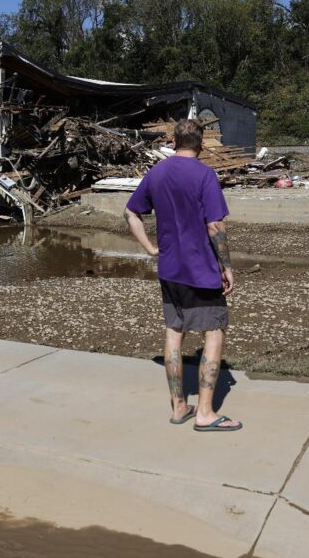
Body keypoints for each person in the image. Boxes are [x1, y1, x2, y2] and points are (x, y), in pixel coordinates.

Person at [124, 119, 242, 433]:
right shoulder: (205, 174)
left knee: (174, 333)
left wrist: (150, 247)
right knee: (213, 334)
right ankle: (204, 413)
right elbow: (215, 226)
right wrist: (227, 266)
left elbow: (130, 212)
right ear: (201, 144)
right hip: (200, 271)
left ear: (174, 142)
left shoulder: (157, 172)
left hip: (170, 270)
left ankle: (179, 407)